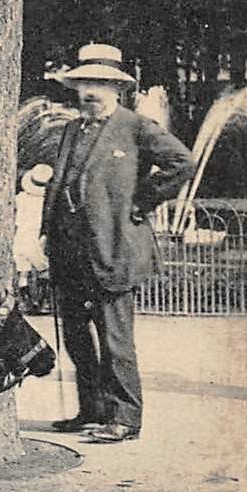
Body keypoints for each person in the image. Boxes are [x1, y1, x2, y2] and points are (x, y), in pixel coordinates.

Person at [40, 42, 192, 445]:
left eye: (101, 84)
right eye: (85, 82)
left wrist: (142, 201)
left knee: (115, 338)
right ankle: (91, 410)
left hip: (114, 249)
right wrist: (46, 231)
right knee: (76, 336)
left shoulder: (136, 126)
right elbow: (59, 183)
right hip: (69, 251)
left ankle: (126, 417)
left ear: (118, 89)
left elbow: (183, 162)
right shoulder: (74, 127)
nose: (91, 91)